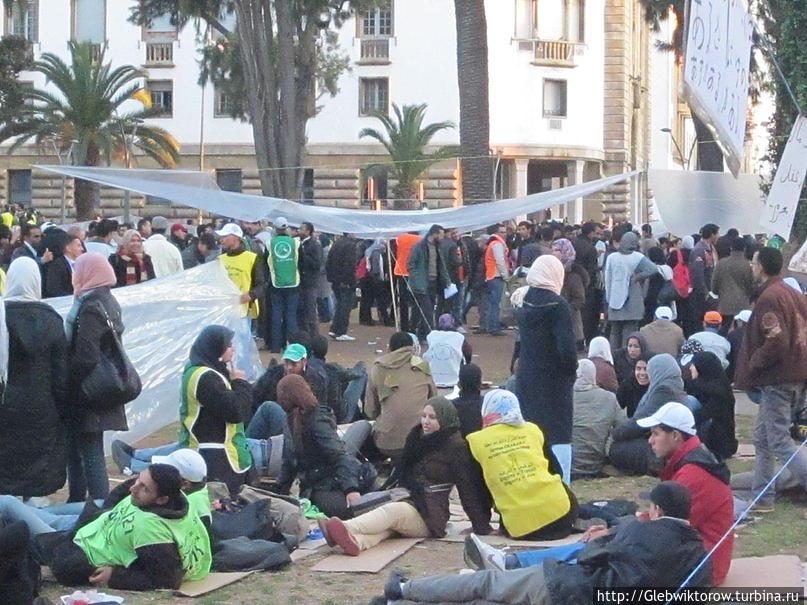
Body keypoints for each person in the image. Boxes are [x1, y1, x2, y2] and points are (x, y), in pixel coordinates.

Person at [378, 486, 709, 605]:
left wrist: (596, 541)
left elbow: (590, 555)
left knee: (485, 584)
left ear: (658, 510)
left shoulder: (641, 531)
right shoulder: (700, 556)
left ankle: (405, 589)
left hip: (570, 589)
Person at [320, 397, 492, 555]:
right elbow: (400, 472)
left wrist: (480, 525)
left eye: (432, 417)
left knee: (394, 512)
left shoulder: (456, 447)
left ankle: (344, 527)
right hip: (406, 497)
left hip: (430, 514)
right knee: (388, 527)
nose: (425, 421)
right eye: (424, 416)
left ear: (445, 419)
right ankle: (357, 542)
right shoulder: (415, 438)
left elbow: (466, 488)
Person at [42, 464, 210, 590]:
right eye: (138, 480)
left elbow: (165, 580)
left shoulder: (151, 530)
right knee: (29, 518)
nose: (133, 488)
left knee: (23, 526)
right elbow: (123, 490)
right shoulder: (176, 497)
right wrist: (104, 511)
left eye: (143, 488)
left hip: (77, 550)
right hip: (89, 527)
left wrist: (115, 576)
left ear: (161, 499)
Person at [735, 247, 807, 511]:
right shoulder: (794, 294)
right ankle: (763, 497)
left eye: (754, 263)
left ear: (761, 266)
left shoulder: (770, 297)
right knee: (762, 439)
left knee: (778, 440)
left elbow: (776, 339)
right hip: (795, 374)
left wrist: (754, 362)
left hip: (778, 378)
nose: (752, 267)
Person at [638, 402, 733, 585]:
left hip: (701, 568)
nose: (650, 440)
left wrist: (616, 532)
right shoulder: (688, 464)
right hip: (695, 557)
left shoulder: (694, 474)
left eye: (655, 433)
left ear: (675, 436)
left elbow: (665, 528)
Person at [0, 257, 68, 497]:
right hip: (41, 403)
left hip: (5, 402)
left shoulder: (1, 316)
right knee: (35, 465)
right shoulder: (51, 319)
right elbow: (61, 374)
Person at [467, 390, 577, 540]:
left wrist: (482, 526)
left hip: (522, 528)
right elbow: (557, 471)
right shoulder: (532, 429)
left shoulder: (475, 441)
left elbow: (479, 491)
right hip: (563, 518)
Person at [65, 252, 126, 502]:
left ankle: (98, 504)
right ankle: (79, 500)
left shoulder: (91, 307)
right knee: (81, 448)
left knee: (89, 451)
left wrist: (68, 380)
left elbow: (87, 355)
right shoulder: (106, 300)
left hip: (89, 389)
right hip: (99, 387)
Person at [511, 255, 577, 482]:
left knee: (530, 430)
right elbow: (566, 349)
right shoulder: (558, 306)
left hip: (527, 374)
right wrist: (571, 372)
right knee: (557, 434)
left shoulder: (522, 299)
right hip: (554, 380)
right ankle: (561, 487)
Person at [275, 374, 363, 519]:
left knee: (353, 510)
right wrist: (279, 493)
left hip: (333, 480)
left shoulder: (316, 420)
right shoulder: (290, 420)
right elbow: (288, 462)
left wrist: (351, 489)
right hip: (317, 485)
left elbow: (339, 455)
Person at [178, 325, 254, 493]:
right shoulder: (206, 377)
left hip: (210, 453)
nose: (232, 349)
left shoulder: (199, 369)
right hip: (215, 458)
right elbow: (236, 412)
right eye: (228, 345)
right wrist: (241, 384)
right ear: (216, 348)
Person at [609, 354, 688, 475]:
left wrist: (616, 433)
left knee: (615, 448)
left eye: (648, 370)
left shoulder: (664, 390)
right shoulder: (675, 385)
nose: (646, 374)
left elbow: (641, 422)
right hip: (664, 439)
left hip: (660, 445)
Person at [365, 331, 437, 460]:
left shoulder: (378, 368)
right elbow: (434, 401)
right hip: (418, 442)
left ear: (390, 348)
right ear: (413, 348)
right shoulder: (422, 366)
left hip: (385, 444)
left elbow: (370, 411)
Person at [604, 231, 658, 349]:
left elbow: (607, 279)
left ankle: (614, 357)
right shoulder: (637, 257)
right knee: (629, 333)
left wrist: (608, 298)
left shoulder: (611, 257)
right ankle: (626, 356)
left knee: (614, 332)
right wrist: (639, 277)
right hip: (633, 300)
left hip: (614, 299)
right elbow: (653, 269)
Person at [572, 359, 624, 478]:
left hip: (569, 464)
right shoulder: (609, 398)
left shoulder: (563, 397)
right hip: (596, 463)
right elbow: (623, 426)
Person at [684, 352, 737, 460]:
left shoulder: (717, 392)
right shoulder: (699, 386)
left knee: (690, 402)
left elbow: (703, 415)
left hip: (718, 442)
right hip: (708, 436)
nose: (691, 368)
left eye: (693, 365)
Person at [310, 334, 367, 424]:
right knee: (362, 375)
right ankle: (367, 413)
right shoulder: (332, 368)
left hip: (319, 414)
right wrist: (361, 364)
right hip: (340, 416)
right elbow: (356, 373)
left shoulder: (306, 369)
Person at [216, 222, 265, 325]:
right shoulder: (220, 259)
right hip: (225, 310)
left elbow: (261, 284)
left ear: (235, 238)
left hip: (244, 310)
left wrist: (251, 295)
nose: (221, 240)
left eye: (225, 236)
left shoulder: (252, 258)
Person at [407, 225, 449, 339]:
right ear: (434, 234)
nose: (442, 237)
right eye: (440, 235)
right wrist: (417, 280)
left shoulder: (437, 247)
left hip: (433, 283)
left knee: (420, 310)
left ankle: (417, 333)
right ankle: (429, 335)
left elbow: (441, 265)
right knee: (428, 311)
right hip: (422, 284)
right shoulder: (419, 247)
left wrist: (446, 280)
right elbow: (411, 265)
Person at [266, 216, 301, 352]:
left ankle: (275, 346)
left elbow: (265, 263)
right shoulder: (295, 243)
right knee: (291, 316)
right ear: (286, 228)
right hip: (293, 284)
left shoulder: (270, 244)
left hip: (276, 285)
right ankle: (291, 345)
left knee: (276, 316)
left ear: (274, 228)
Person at [711, 237, 754, 334]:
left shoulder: (721, 263)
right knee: (741, 332)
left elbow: (714, 284)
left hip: (724, 304)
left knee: (724, 329)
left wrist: (717, 292)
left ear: (731, 248)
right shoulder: (748, 265)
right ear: (744, 249)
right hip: (742, 304)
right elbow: (751, 286)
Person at [552, 237, 589, 349]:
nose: (553, 253)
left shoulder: (573, 275)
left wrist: (564, 310)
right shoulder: (552, 270)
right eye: (552, 250)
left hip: (570, 327)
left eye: (556, 250)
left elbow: (579, 299)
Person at [423, 313, 470, 388]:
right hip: (455, 380)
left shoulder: (431, 335)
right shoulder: (459, 337)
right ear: (453, 322)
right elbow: (468, 354)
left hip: (433, 380)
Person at [326, 233, 358, 341]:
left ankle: (334, 329)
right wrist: (347, 280)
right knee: (345, 306)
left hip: (336, 280)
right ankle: (340, 331)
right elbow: (349, 265)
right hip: (346, 281)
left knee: (340, 305)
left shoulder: (336, 243)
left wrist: (332, 278)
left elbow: (329, 262)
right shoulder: (350, 245)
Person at [688, 224, 719, 334]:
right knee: (700, 322)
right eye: (717, 234)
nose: (718, 237)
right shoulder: (699, 250)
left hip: (710, 291)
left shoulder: (711, 248)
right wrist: (706, 293)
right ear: (712, 235)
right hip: (702, 294)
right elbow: (698, 274)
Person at [482, 223, 510, 336]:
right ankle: (494, 327)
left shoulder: (492, 243)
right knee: (496, 304)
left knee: (492, 303)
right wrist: (506, 276)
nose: (504, 234)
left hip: (491, 276)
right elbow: (500, 262)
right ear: (497, 233)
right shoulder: (497, 244)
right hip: (496, 276)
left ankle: (491, 326)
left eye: (505, 232)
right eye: (502, 232)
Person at [298, 221, 324, 337]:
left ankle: (314, 336)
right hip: (302, 282)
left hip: (310, 282)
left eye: (301, 229)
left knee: (310, 310)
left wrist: (304, 255)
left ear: (308, 231)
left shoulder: (314, 245)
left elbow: (317, 264)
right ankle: (305, 334)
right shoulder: (300, 243)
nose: (299, 231)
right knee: (302, 310)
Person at [43, 233, 83, 297]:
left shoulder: (83, 263)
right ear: (68, 248)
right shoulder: (57, 266)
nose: (82, 249)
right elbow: (54, 290)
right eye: (78, 246)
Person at [452, 363, 484, 438]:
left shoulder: (451, 406)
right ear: (480, 383)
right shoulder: (487, 404)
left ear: (459, 384)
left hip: (459, 446)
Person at [725, 309, 751, 382]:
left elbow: (729, 355)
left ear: (742, 322)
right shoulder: (758, 333)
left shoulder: (733, 334)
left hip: (736, 372)